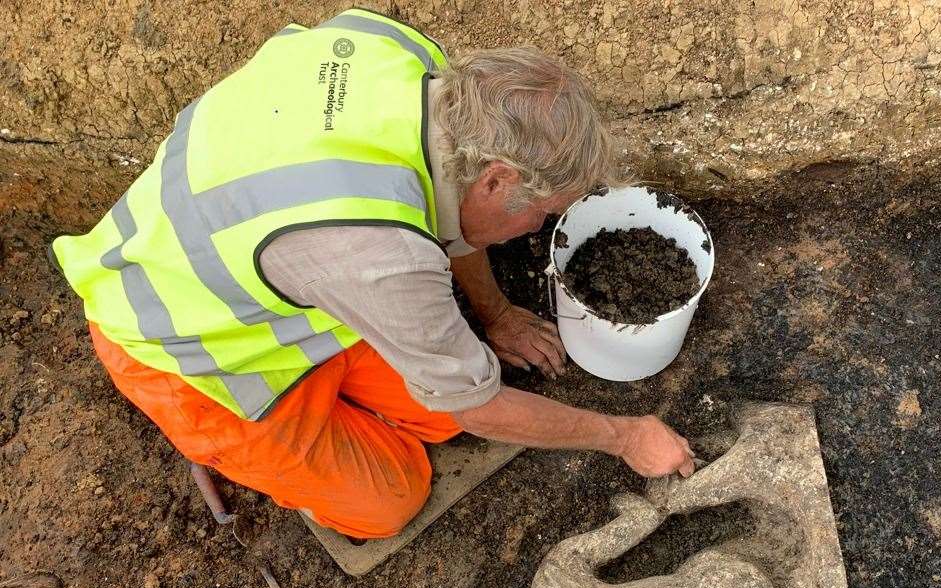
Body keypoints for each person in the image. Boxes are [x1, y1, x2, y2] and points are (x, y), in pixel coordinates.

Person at [51, 9, 695, 540]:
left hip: (274, 277)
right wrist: (623, 435)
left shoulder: (404, 58)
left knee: (439, 411)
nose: (536, 231)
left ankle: (334, 414)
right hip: (189, 352)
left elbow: (448, 207)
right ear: (499, 178)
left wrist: (494, 317)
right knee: (391, 497)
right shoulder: (382, 258)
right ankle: (230, 449)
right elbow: (476, 405)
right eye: (542, 213)